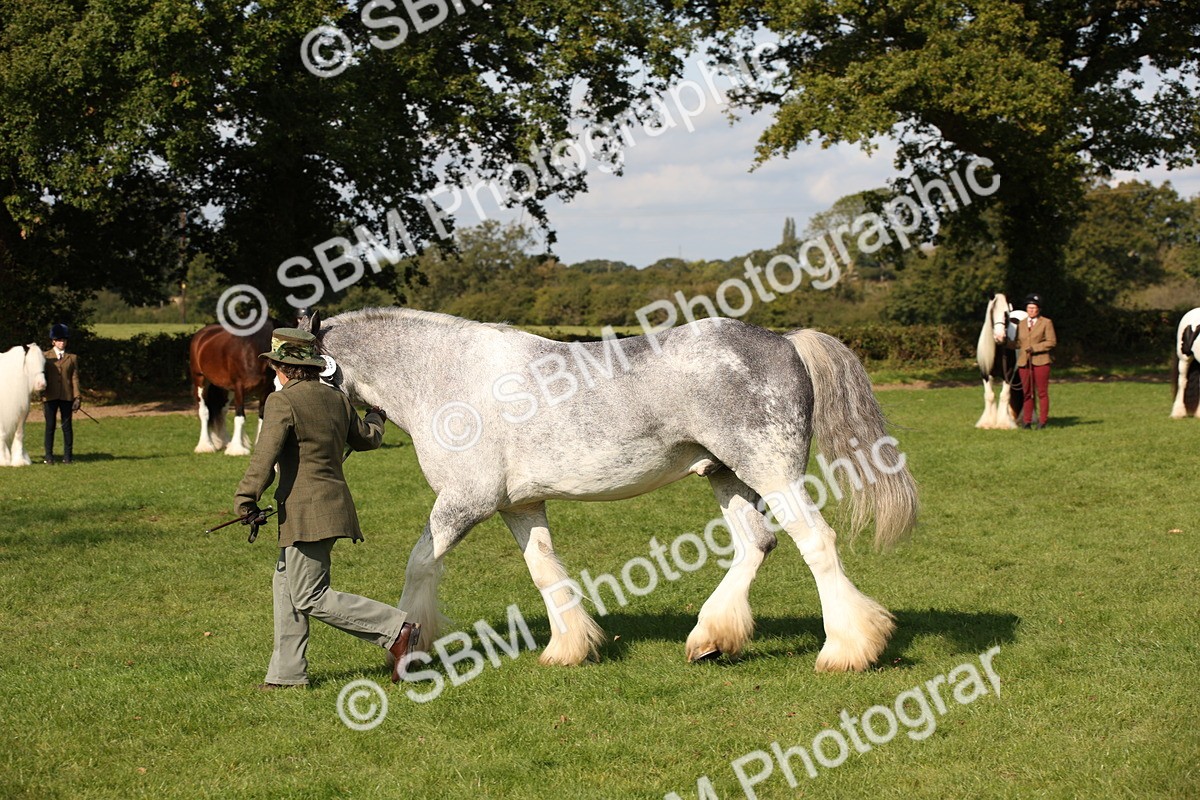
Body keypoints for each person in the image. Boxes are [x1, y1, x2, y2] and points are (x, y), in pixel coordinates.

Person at [233, 327, 418, 690]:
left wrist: (245, 498)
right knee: (286, 589)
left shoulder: (282, 401)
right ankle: (287, 675)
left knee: (308, 595)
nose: (274, 372)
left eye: (274, 366)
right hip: (327, 508)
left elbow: (263, 457)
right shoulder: (337, 399)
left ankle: (397, 629)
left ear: (284, 367)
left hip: (308, 513)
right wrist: (377, 415)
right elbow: (367, 439)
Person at [1011, 293, 1057, 429]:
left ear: (1039, 309)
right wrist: (1005, 343)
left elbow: (1051, 342)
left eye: (1034, 308)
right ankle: (1027, 420)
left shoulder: (1046, 323)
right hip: (1024, 362)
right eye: (1029, 308)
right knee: (1027, 393)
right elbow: (1019, 343)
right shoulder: (1022, 323)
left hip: (1040, 361)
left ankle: (1042, 421)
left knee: (1042, 392)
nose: (1031, 310)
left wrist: (1035, 348)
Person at [42, 323, 81, 464]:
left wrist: (77, 397)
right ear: (53, 341)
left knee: (67, 427)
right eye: (59, 340)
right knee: (50, 426)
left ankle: (68, 456)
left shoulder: (72, 358)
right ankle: (49, 456)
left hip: (66, 396)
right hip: (50, 396)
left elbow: (74, 378)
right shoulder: (45, 356)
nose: (62, 343)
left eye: (64, 340)